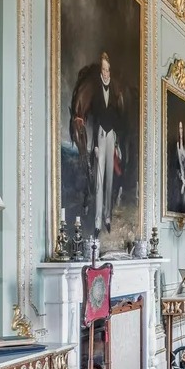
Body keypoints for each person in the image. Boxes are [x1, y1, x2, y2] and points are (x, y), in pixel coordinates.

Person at [69, 52, 130, 236]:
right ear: (101, 71)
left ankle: (107, 217)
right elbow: (92, 121)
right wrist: (95, 144)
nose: (104, 72)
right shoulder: (96, 92)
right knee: (99, 179)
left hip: (112, 135)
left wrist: (117, 142)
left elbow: (118, 118)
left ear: (109, 71)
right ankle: (97, 222)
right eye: (102, 69)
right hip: (100, 136)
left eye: (106, 69)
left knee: (109, 179)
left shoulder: (114, 91)